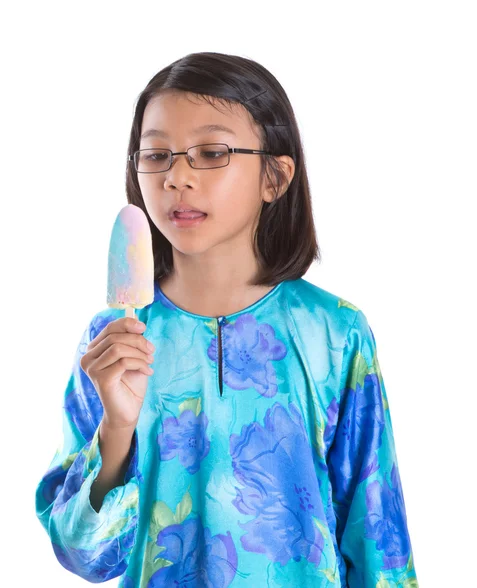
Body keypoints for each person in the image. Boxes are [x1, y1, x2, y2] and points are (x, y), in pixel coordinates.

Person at [34, 51, 418, 587]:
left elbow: (378, 539)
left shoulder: (335, 334)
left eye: (210, 152)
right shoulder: (114, 340)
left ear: (275, 176)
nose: (177, 177)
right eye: (157, 155)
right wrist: (117, 428)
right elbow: (84, 557)